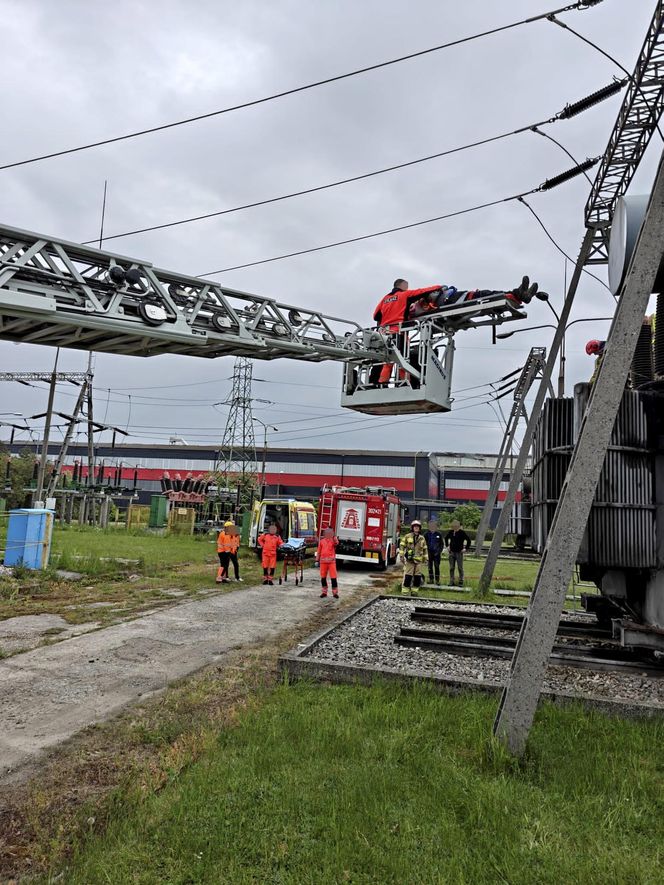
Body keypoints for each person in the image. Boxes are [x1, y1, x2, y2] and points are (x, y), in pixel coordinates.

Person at [399, 519, 428, 596]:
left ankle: (414, 592)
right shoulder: (407, 536)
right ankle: (405, 592)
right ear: (412, 528)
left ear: (420, 528)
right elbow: (402, 545)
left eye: (417, 527)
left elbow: (425, 549)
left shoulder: (422, 538)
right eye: (415, 527)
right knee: (408, 576)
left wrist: (426, 559)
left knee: (417, 577)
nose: (416, 528)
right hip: (410, 560)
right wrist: (401, 555)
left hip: (418, 561)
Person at [444, 520, 471, 587]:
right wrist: (447, 546)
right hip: (451, 552)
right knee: (451, 567)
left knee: (460, 567)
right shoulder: (451, 532)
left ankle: (461, 581)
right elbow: (446, 538)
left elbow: (469, 540)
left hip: (459, 552)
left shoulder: (462, 533)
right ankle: (451, 581)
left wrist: (465, 548)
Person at [315, 527, 339, 599]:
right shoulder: (322, 541)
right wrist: (317, 560)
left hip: (331, 562)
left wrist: (334, 536)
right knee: (323, 578)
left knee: (333, 578)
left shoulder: (333, 540)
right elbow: (318, 551)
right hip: (323, 562)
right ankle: (324, 592)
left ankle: (335, 593)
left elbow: (336, 543)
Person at [424, 519, 444, 585]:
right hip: (429, 553)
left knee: (436, 567)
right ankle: (431, 580)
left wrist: (439, 551)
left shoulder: (439, 534)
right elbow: (424, 544)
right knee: (430, 567)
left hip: (437, 554)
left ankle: (437, 580)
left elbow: (442, 544)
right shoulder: (426, 534)